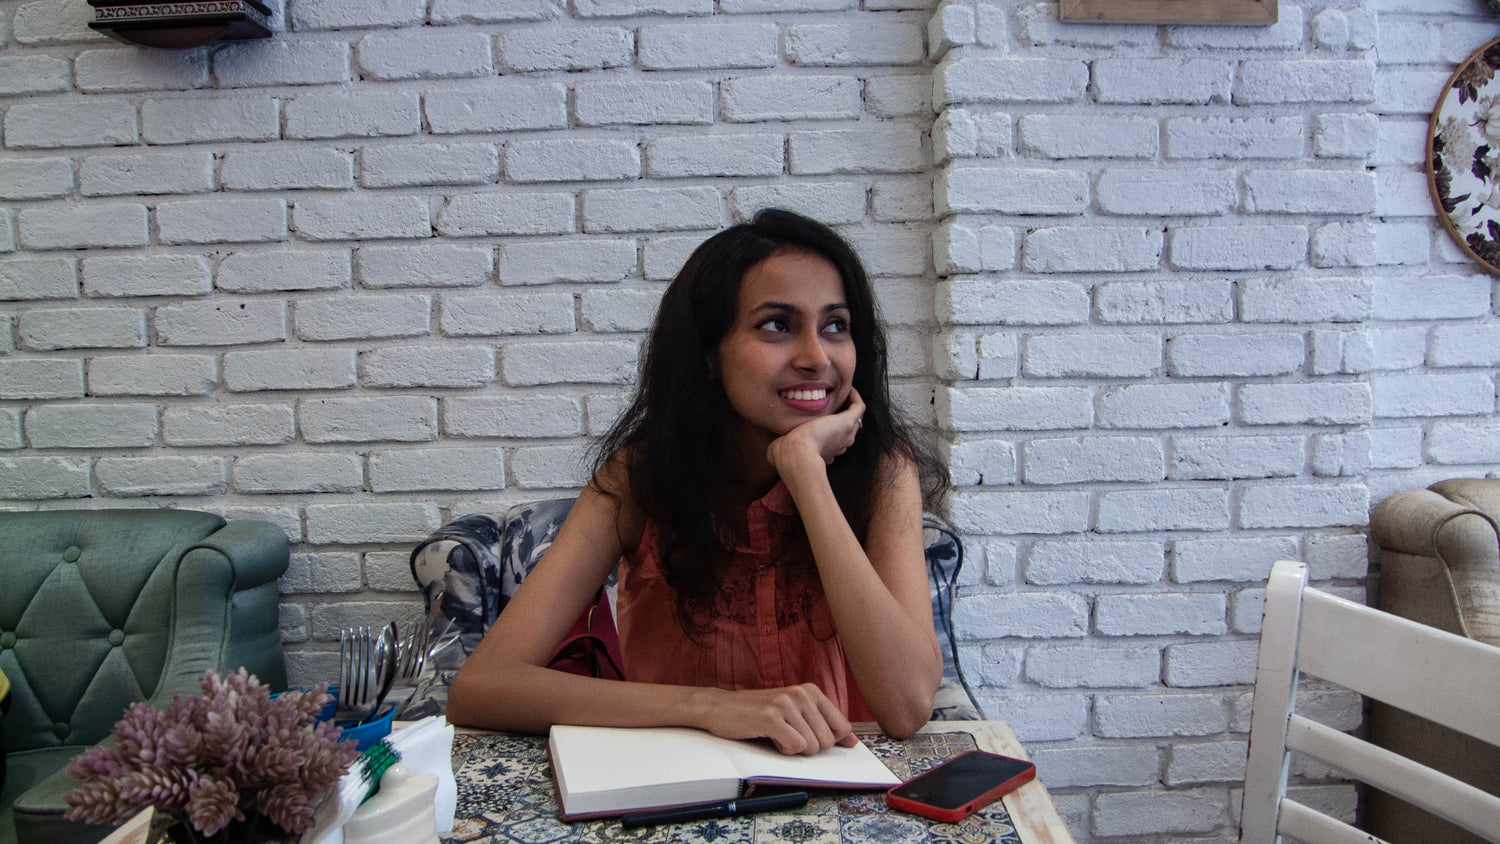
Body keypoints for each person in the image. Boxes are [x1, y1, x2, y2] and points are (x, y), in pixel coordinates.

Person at [447, 209, 948, 756]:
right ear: (709, 353)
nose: (816, 356)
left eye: (835, 325)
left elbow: (906, 706)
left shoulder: (883, 474)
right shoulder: (639, 479)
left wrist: (805, 472)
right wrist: (711, 708)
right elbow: (480, 687)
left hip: (839, 791)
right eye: (777, 324)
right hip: (674, 794)